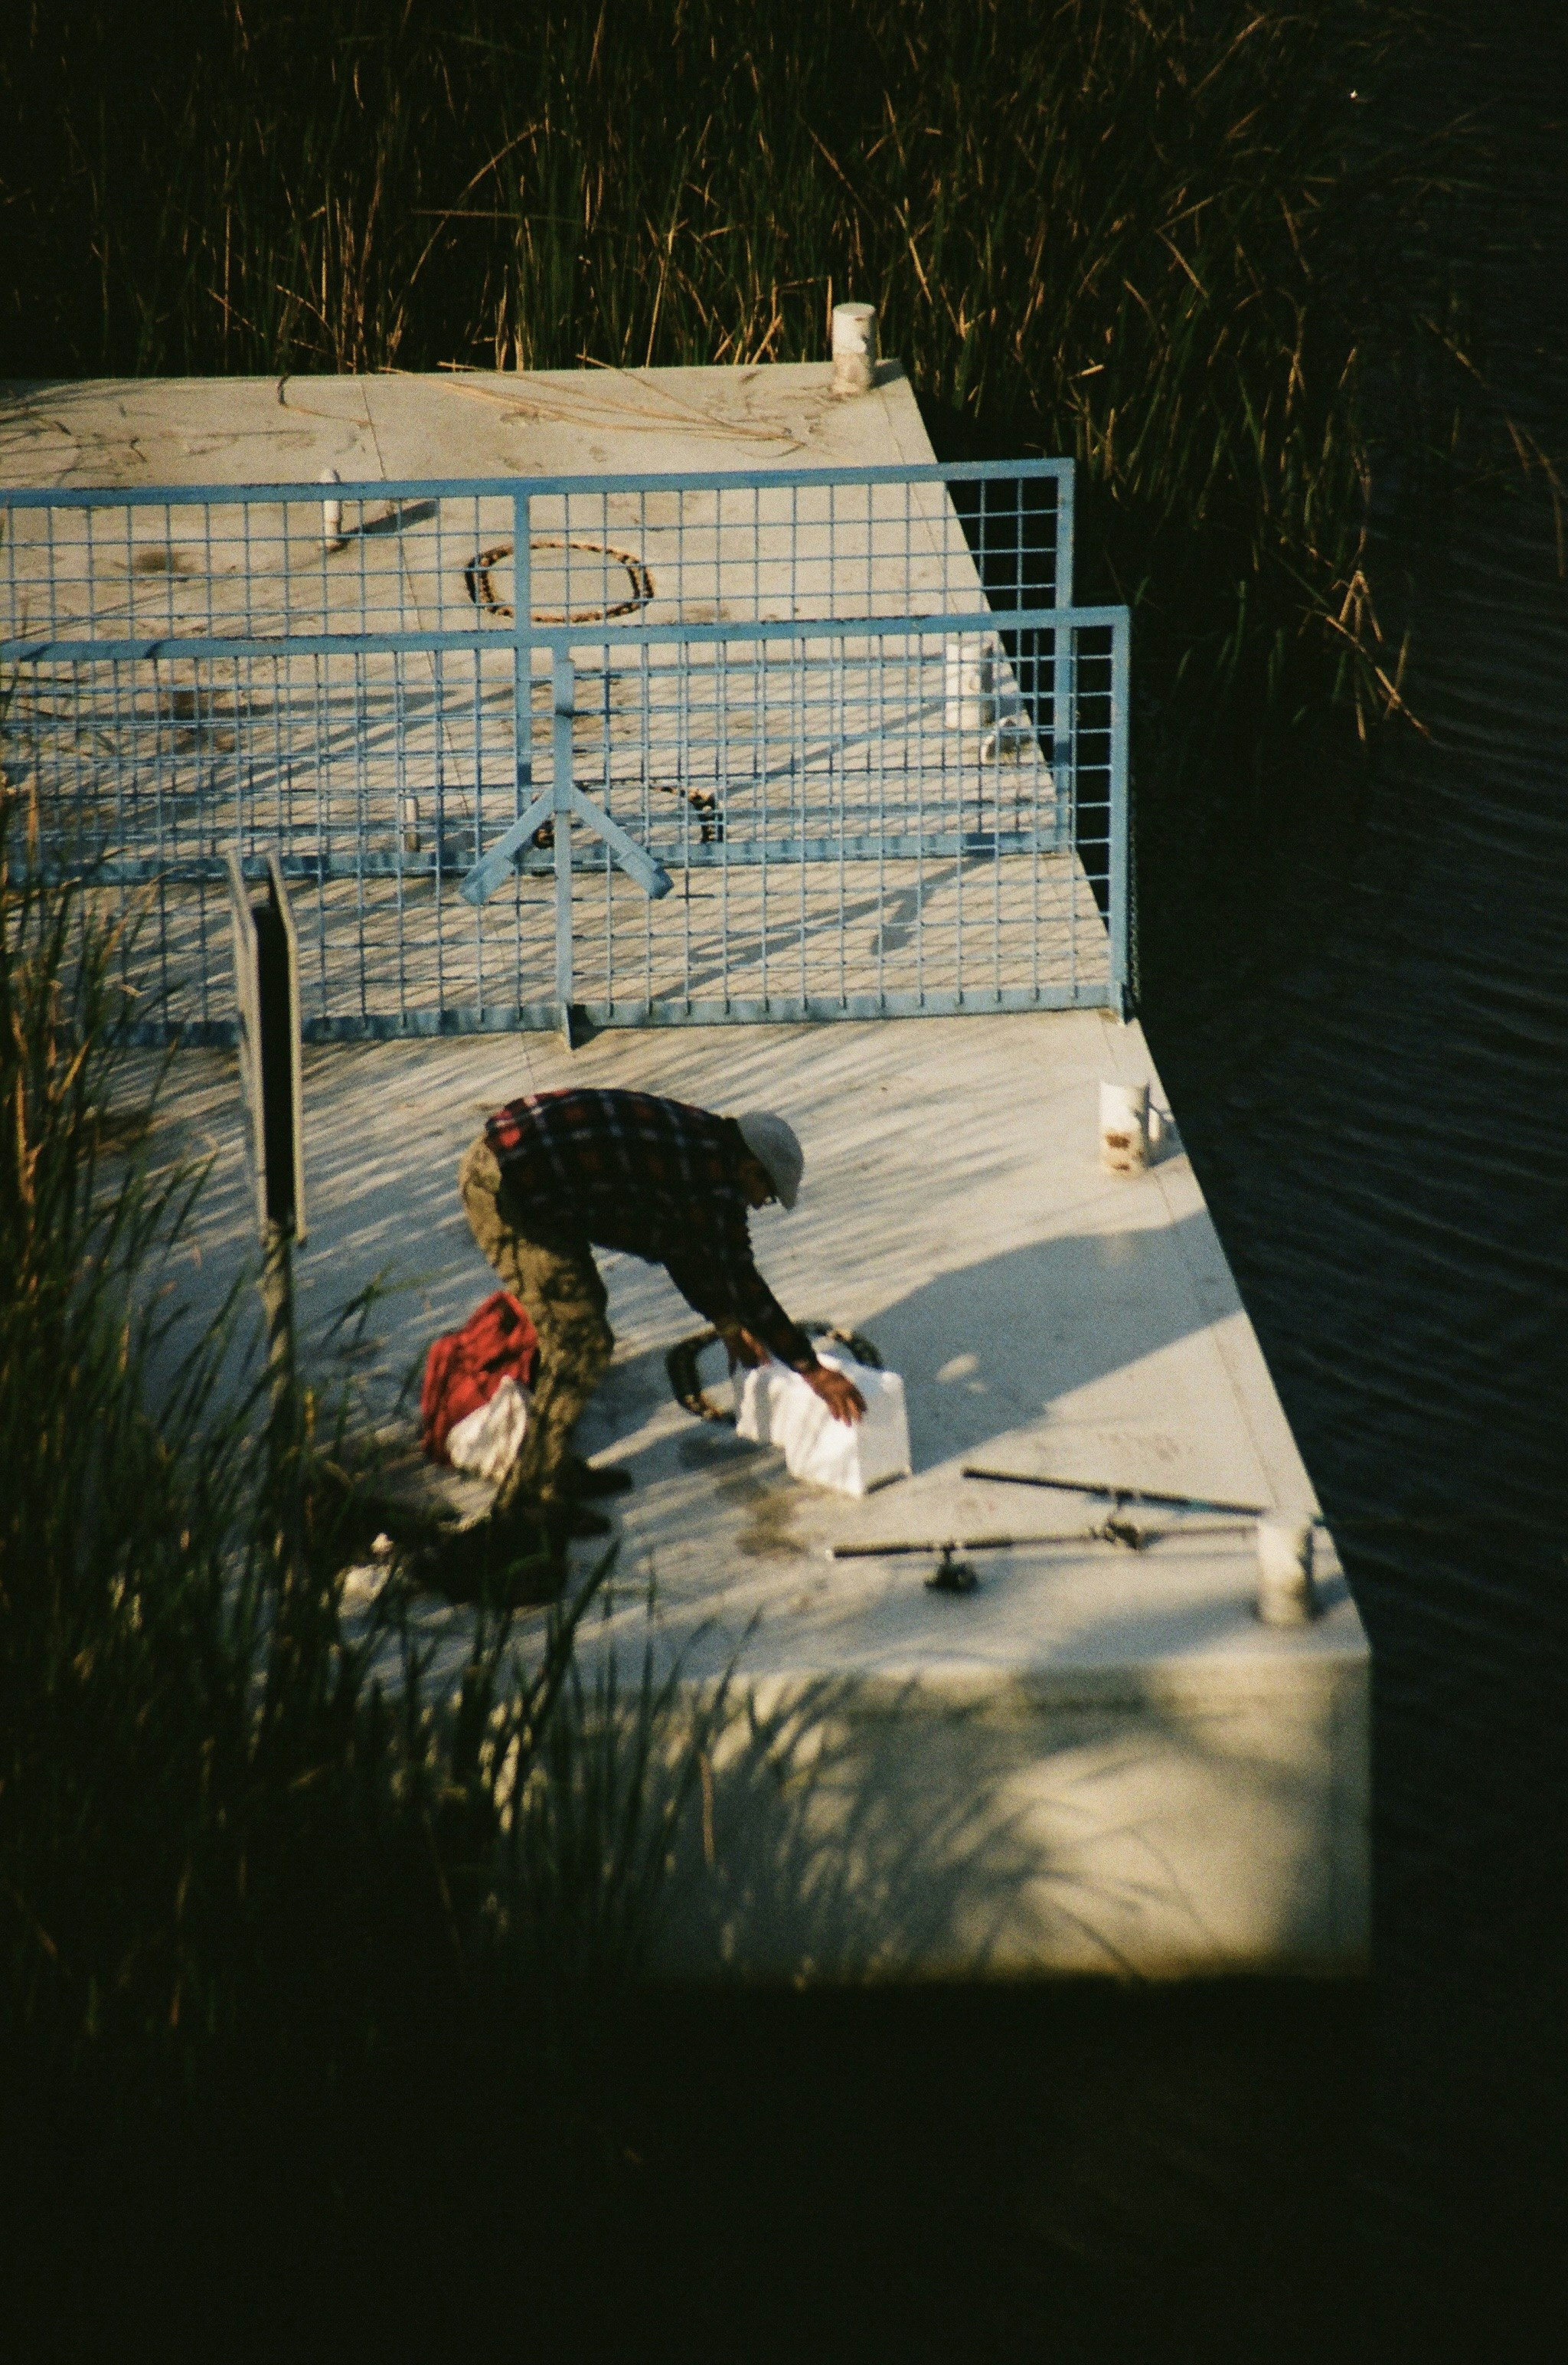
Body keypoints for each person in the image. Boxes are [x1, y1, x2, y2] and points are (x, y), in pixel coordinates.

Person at [456, 1086, 864, 1559]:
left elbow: (681, 1250)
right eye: (766, 1195)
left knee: (577, 1322)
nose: (757, 1206)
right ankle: (524, 1511)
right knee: (580, 1341)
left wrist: (727, 1323)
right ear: (750, 1169)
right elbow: (742, 1277)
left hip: (536, 1172)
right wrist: (812, 1370)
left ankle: (550, 1470)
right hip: (506, 1182)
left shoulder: (707, 1149)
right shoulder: (708, 1177)